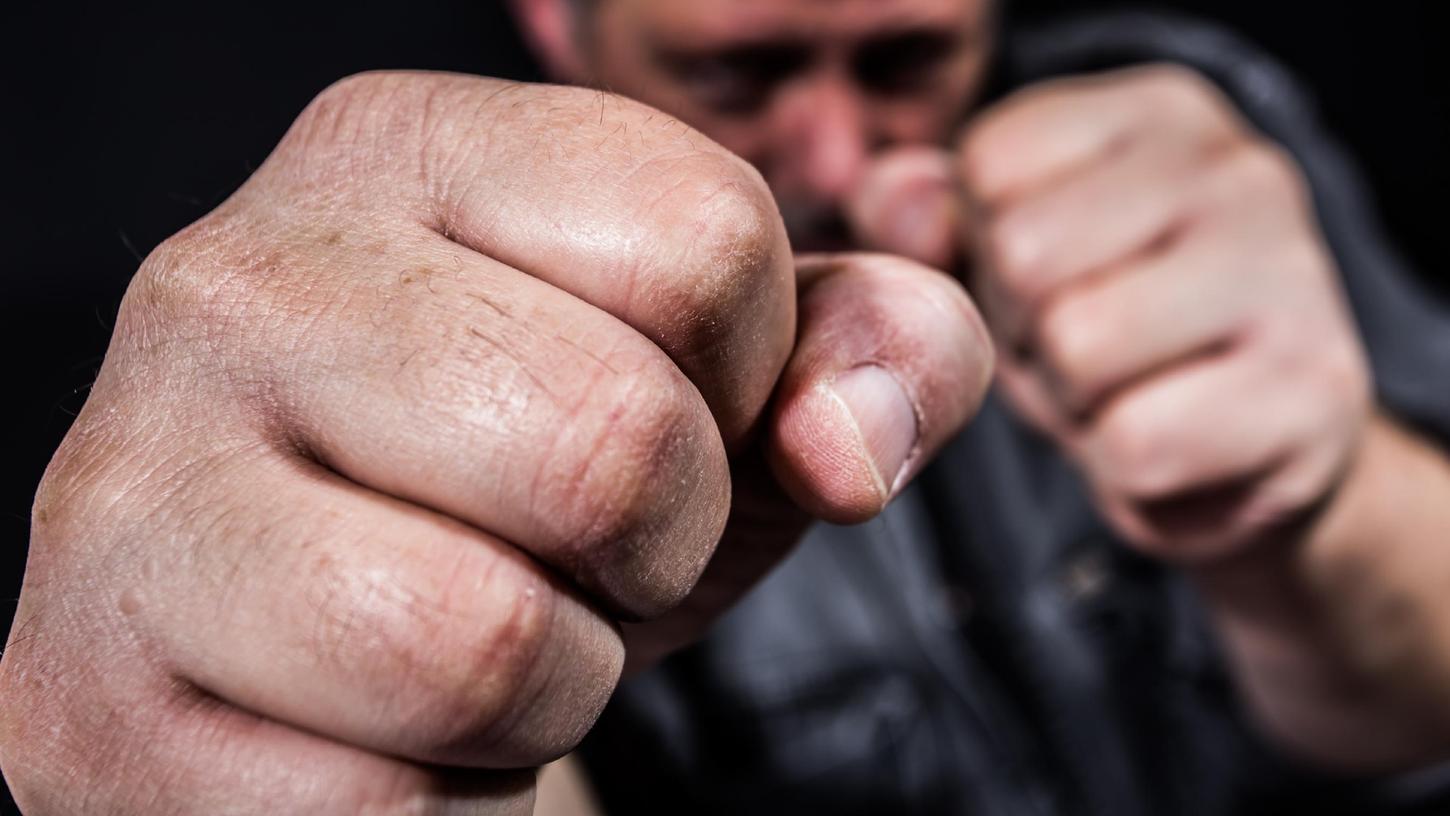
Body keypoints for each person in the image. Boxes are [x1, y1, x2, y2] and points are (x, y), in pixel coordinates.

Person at [2, 0, 1449, 813]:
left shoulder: (1187, 135)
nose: (831, 152)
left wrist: (1302, 502)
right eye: (737, 73)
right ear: (562, 26)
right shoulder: (445, 296)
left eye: (902, 61)